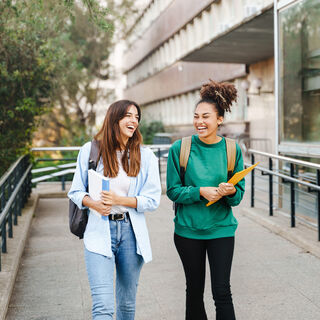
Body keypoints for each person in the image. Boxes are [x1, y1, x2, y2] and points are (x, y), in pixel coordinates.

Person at [68, 100, 161, 320]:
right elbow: (75, 191)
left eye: (137, 117)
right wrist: (94, 204)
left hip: (131, 233)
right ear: (114, 119)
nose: (133, 121)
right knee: (103, 307)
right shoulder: (91, 150)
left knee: (127, 307)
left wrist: (121, 199)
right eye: (128, 115)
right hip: (99, 231)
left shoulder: (145, 156)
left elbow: (152, 200)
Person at [166, 80, 245, 320]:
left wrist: (230, 192)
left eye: (206, 116)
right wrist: (200, 191)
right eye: (196, 116)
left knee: (222, 291)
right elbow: (172, 190)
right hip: (188, 231)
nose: (199, 122)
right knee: (194, 291)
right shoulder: (180, 148)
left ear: (219, 119)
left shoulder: (233, 149)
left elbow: (238, 196)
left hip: (221, 230)